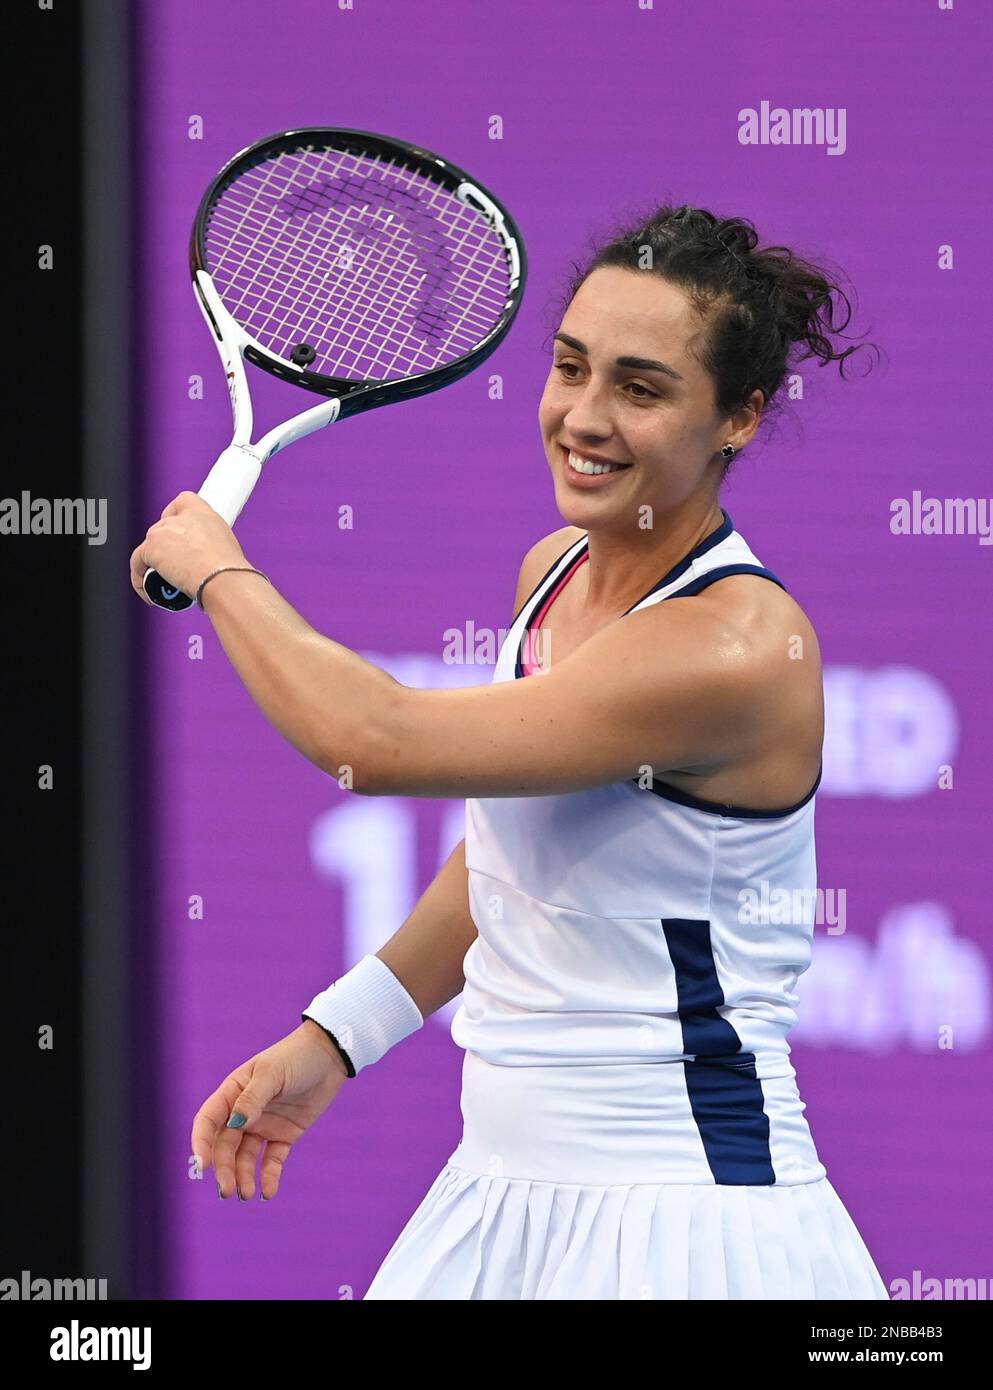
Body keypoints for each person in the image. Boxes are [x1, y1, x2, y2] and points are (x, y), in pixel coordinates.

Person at [131, 203, 888, 1300]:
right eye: (571, 367)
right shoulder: (554, 570)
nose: (583, 416)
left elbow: (371, 741)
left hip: (693, 1223)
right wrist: (338, 1036)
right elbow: (514, 854)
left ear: (741, 418)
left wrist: (220, 571)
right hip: (497, 1195)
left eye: (640, 386)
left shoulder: (733, 648)